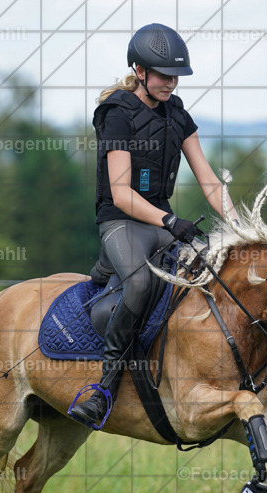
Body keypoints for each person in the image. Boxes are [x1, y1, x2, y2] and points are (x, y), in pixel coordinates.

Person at [69, 22, 239, 427]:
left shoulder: (177, 115)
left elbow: (209, 181)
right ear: (140, 71)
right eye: (164, 75)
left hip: (162, 223)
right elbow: (121, 193)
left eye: (176, 76)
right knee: (142, 283)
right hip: (121, 222)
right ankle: (104, 390)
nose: (171, 83)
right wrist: (170, 220)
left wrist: (239, 225)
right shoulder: (116, 114)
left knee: (213, 274)